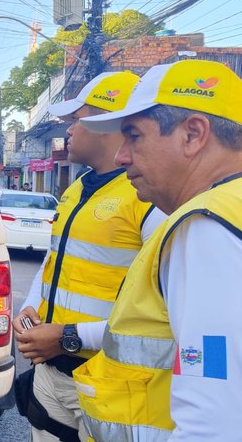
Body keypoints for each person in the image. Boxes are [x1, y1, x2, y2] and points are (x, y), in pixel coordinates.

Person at [73, 59, 242, 440]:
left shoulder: (205, 228)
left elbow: (213, 417)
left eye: (134, 136)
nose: (121, 156)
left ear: (193, 134)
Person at [12, 71, 166, 442]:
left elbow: (160, 317)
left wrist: (68, 337)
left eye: (75, 121)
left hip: (110, 378)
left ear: (105, 125)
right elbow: (53, 258)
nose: (67, 132)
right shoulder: (77, 188)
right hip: (51, 370)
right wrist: (32, 306)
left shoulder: (149, 201)